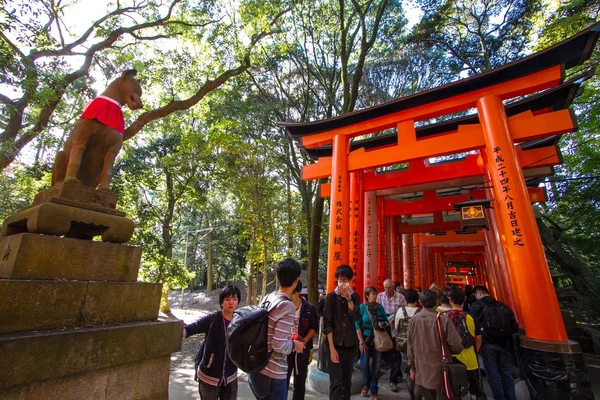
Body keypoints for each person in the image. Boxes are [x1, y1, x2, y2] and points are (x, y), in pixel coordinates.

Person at [249, 258, 305, 400]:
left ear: (277, 277)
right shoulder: (287, 305)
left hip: (256, 368)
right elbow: (278, 344)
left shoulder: (269, 297)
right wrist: (295, 345)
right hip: (272, 374)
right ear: (296, 280)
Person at [183, 285, 242, 399]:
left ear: (238, 302)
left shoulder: (240, 321)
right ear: (221, 302)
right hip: (209, 377)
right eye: (227, 299)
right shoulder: (213, 319)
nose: (231, 302)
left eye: (234, 299)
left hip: (231, 377)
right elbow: (191, 328)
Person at [407, 289, 463, 400]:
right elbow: (457, 346)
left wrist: (412, 367)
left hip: (422, 369)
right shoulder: (443, 319)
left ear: (420, 302)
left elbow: (410, 347)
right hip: (442, 370)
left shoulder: (413, 320)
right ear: (436, 302)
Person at [470, 285, 519, 400]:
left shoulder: (476, 306)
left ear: (479, 294)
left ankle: (499, 397)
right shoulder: (502, 305)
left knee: (493, 373)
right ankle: (511, 397)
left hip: (487, 344)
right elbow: (514, 327)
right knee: (506, 372)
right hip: (504, 344)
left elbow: (472, 326)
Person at [323, 264, 361, 400]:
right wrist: (332, 349)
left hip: (350, 346)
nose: (342, 283)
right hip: (334, 346)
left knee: (346, 383)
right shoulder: (331, 298)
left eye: (345, 280)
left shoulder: (355, 297)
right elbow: (327, 324)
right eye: (340, 279)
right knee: (335, 383)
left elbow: (357, 317)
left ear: (350, 281)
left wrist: (348, 298)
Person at [446, 286, 487, 400]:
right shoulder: (470, 317)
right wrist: (474, 352)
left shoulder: (444, 317)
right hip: (470, 360)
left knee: (453, 391)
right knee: (477, 390)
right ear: (464, 299)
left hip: (451, 360)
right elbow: (478, 339)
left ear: (450, 300)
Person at [286, 280, 319, 400]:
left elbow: (314, 327)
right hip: (286, 348)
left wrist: (304, 341)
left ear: (299, 292)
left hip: (302, 351)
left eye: (292, 293)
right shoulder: (284, 306)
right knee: (282, 382)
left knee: (299, 383)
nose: (290, 296)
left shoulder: (309, 308)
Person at [356, 286, 389, 400]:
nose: (375, 296)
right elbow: (357, 324)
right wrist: (361, 341)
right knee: (364, 364)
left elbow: (386, 320)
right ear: (367, 296)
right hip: (365, 339)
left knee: (377, 365)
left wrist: (383, 324)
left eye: (375, 294)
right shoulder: (362, 307)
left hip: (378, 339)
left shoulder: (380, 308)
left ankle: (373, 390)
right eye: (372, 294)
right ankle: (367, 383)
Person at [376, 278, 406, 392]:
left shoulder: (400, 297)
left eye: (389, 288)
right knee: (383, 354)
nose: (387, 290)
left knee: (396, 355)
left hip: (395, 330)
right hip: (383, 330)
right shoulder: (380, 296)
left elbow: (404, 313)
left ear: (393, 288)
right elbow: (376, 310)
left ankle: (393, 381)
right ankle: (397, 371)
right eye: (385, 288)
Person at [394, 289, 421, 400]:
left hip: (403, 344)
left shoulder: (400, 310)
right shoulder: (420, 312)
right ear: (417, 300)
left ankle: (412, 397)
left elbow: (396, 327)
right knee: (418, 373)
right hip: (417, 346)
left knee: (408, 373)